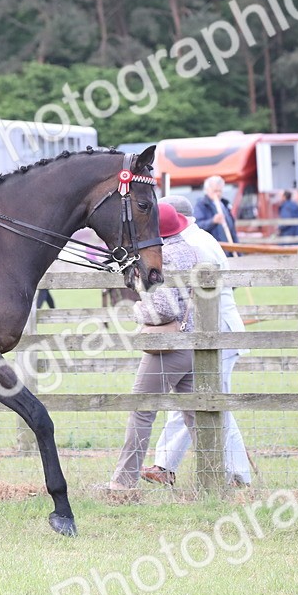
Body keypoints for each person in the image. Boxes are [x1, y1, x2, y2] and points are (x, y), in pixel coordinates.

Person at [144, 195, 252, 488]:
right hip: (209, 333)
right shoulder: (192, 240)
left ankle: (236, 475)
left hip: (218, 333)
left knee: (213, 405)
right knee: (196, 402)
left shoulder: (195, 245)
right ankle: (165, 466)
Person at [106, 202, 199, 493]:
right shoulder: (187, 250)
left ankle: (123, 482)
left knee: (141, 411)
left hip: (168, 346)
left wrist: (135, 311)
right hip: (192, 341)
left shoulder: (164, 255)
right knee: (198, 415)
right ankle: (219, 475)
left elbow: (161, 309)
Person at [193, 175, 238, 255]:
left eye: (220, 191)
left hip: (229, 251)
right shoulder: (202, 205)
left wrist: (238, 251)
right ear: (207, 190)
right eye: (215, 191)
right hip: (213, 252)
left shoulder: (225, 204)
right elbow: (197, 226)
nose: (218, 194)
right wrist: (213, 221)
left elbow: (232, 231)